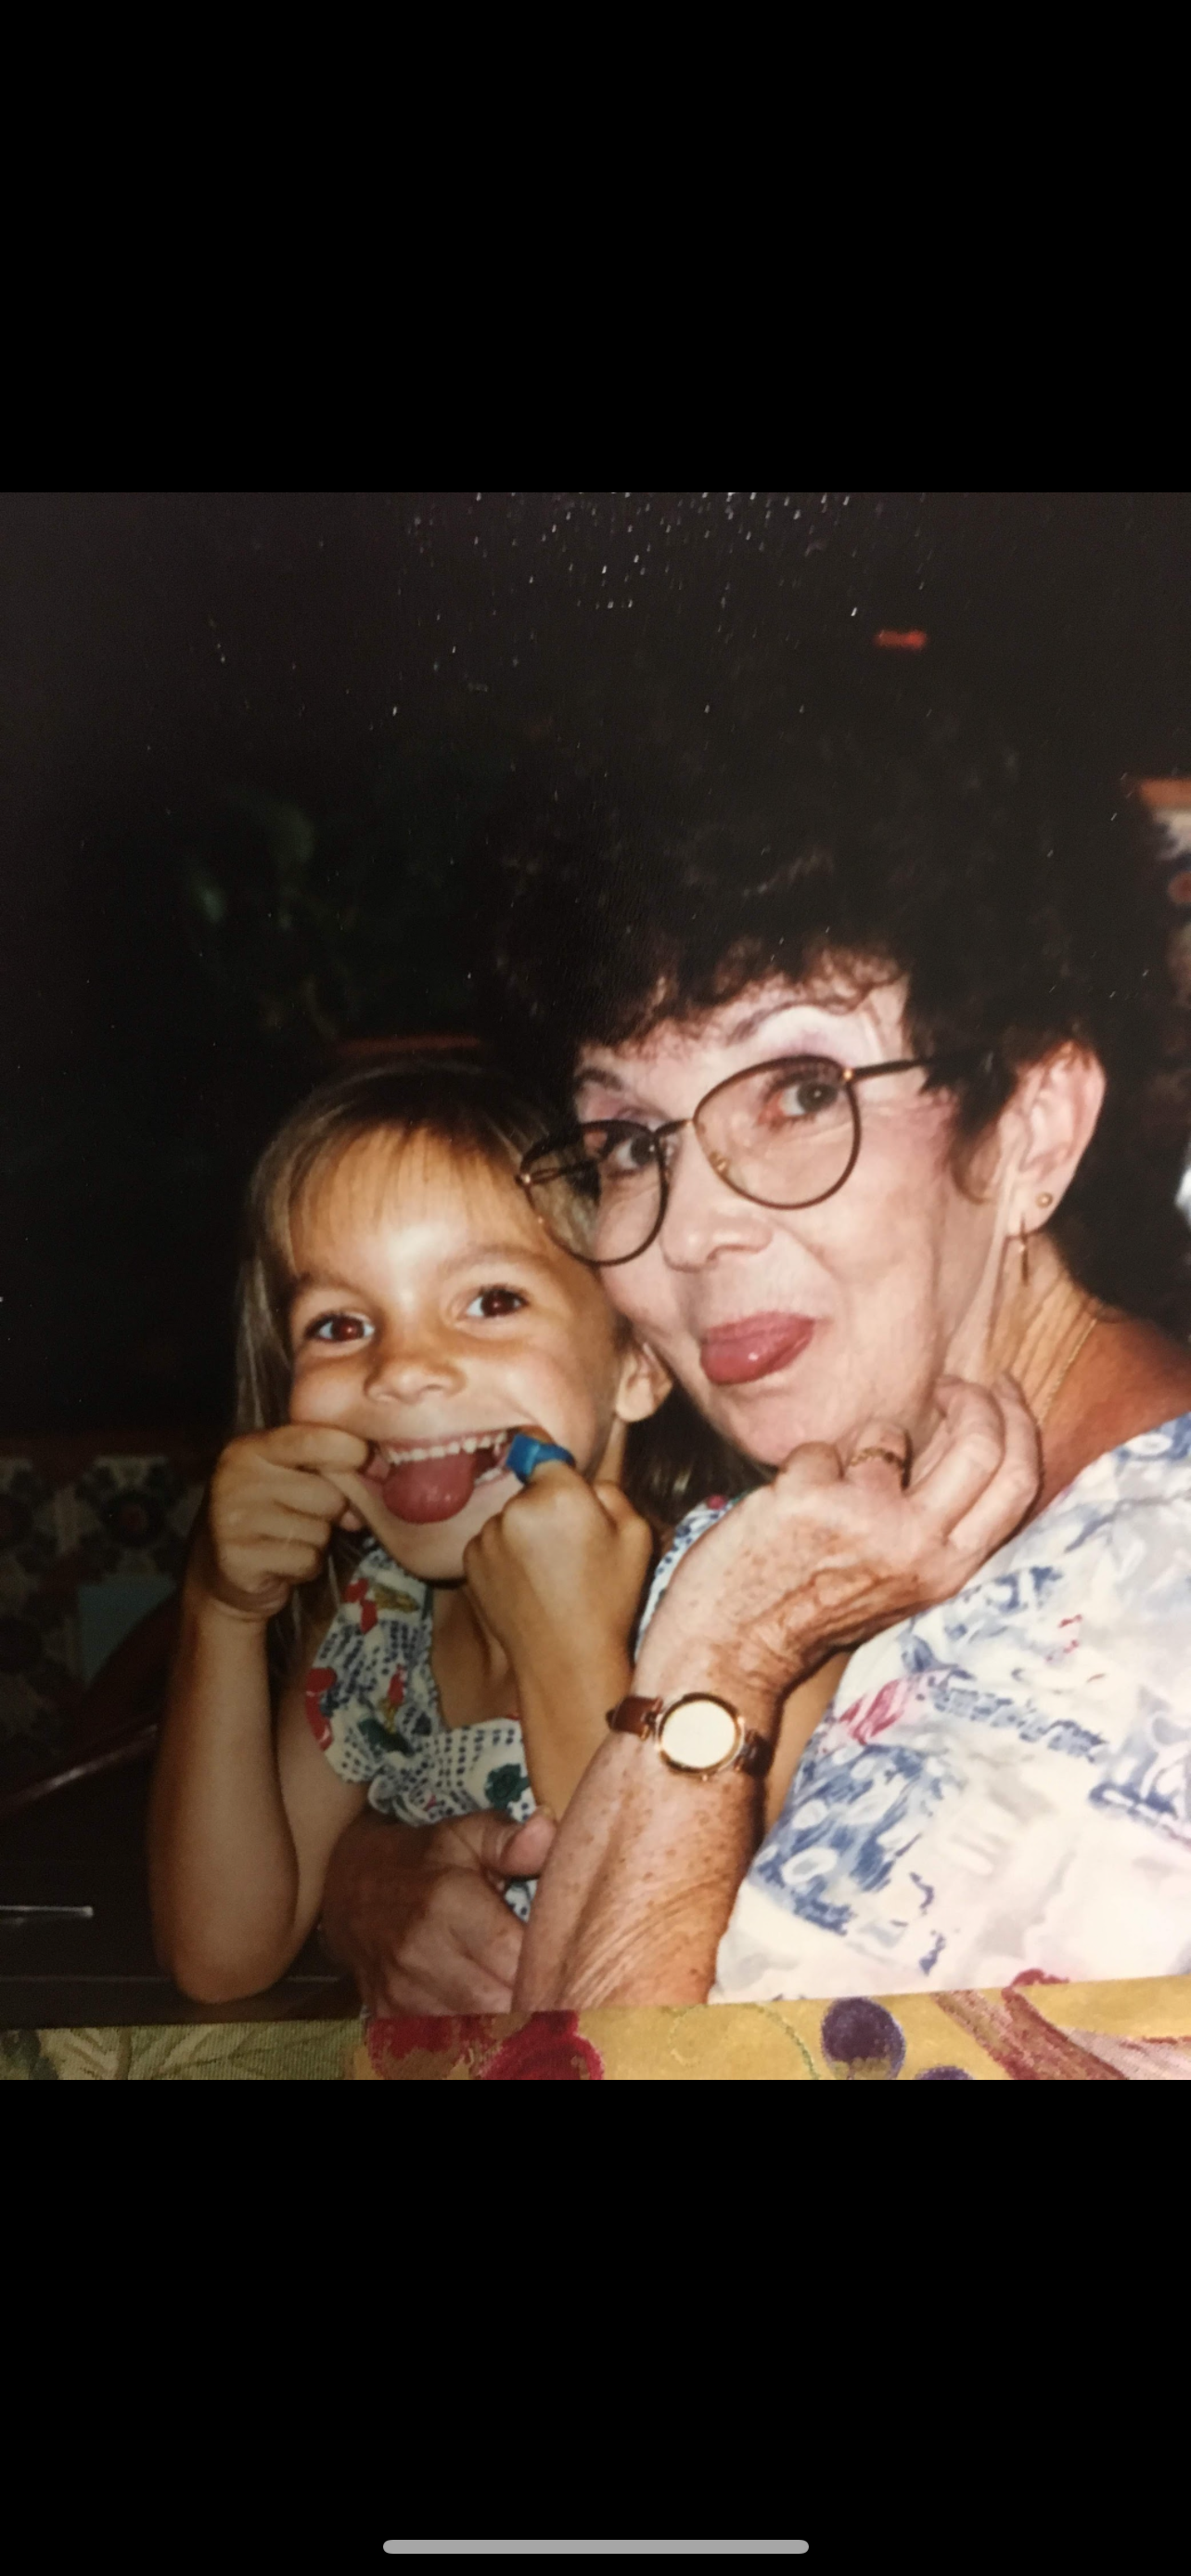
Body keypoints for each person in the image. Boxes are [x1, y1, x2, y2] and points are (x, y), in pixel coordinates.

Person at [320, 691, 1191, 2009]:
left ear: (1033, 1127)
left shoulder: (1143, 1611)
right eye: (631, 1141)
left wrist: (726, 1644)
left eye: (799, 1091)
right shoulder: (837, 1511)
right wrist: (368, 1879)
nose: (698, 1231)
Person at [148, 1057, 701, 2004]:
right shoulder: (378, 1631)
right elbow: (220, 1954)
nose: (402, 1371)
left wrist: (568, 1650)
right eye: (338, 1324)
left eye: (491, 1302)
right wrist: (224, 1611)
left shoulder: (727, 1599)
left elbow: (656, 1995)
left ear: (638, 1363)